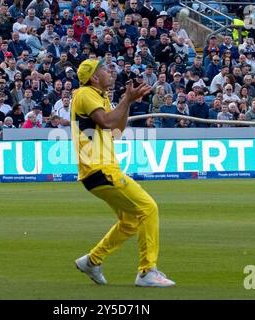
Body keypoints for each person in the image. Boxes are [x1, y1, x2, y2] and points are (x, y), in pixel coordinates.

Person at [72, 59, 175, 287]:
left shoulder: (100, 97)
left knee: (129, 221)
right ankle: (147, 271)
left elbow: (117, 130)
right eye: (104, 69)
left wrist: (127, 103)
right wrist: (126, 99)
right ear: (94, 77)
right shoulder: (85, 93)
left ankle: (92, 261)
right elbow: (107, 121)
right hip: (100, 168)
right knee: (148, 209)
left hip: (100, 170)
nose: (110, 71)